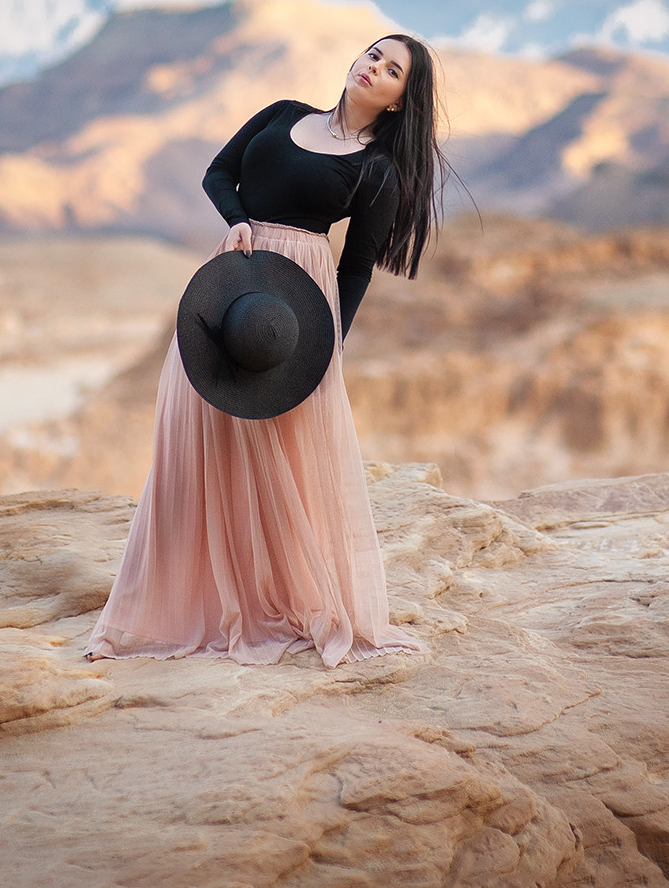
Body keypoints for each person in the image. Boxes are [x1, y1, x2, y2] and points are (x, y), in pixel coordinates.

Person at [83, 34, 446, 665]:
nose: (373, 69)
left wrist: (331, 346)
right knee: (191, 433)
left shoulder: (376, 169)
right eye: (372, 54)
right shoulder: (283, 114)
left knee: (284, 458)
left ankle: (273, 597)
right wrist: (238, 220)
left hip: (296, 306)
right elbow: (216, 173)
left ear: (398, 101)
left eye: (393, 72)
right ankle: (167, 606)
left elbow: (356, 266)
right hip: (232, 280)